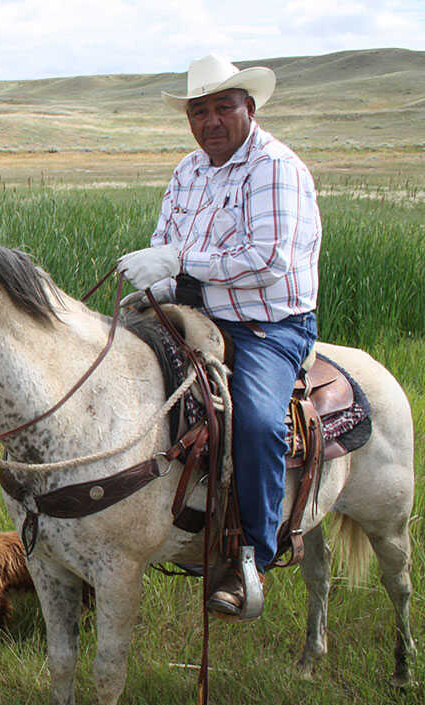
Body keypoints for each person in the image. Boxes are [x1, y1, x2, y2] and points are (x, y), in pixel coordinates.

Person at [117, 54, 320, 618]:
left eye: (223, 107)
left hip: (265, 323)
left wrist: (178, 259)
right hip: (193, 310)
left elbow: (267, 260)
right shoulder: (187, 171)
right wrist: (152, 279)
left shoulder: (276, 168)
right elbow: (166, 240)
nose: (210, 121)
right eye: (199, 110)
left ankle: (251, 553)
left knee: (255, 421)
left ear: (248, 108)